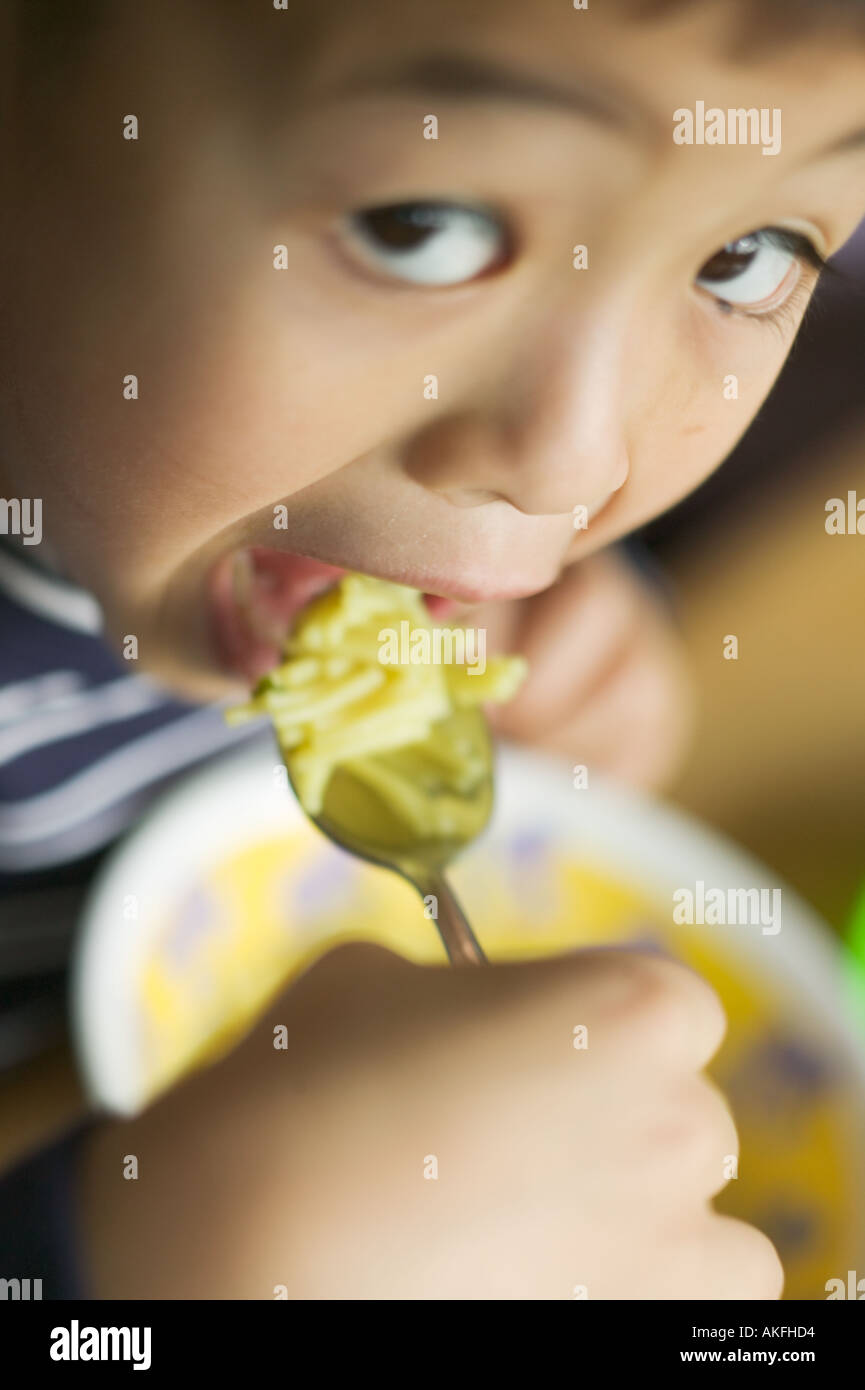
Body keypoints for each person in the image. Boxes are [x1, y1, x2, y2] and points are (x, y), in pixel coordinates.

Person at [2, 0, 865, 1298]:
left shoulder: (334, 532)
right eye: (424, 229)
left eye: (742, 257)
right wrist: (117, 1261)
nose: (573, 461)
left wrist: (583, 639)